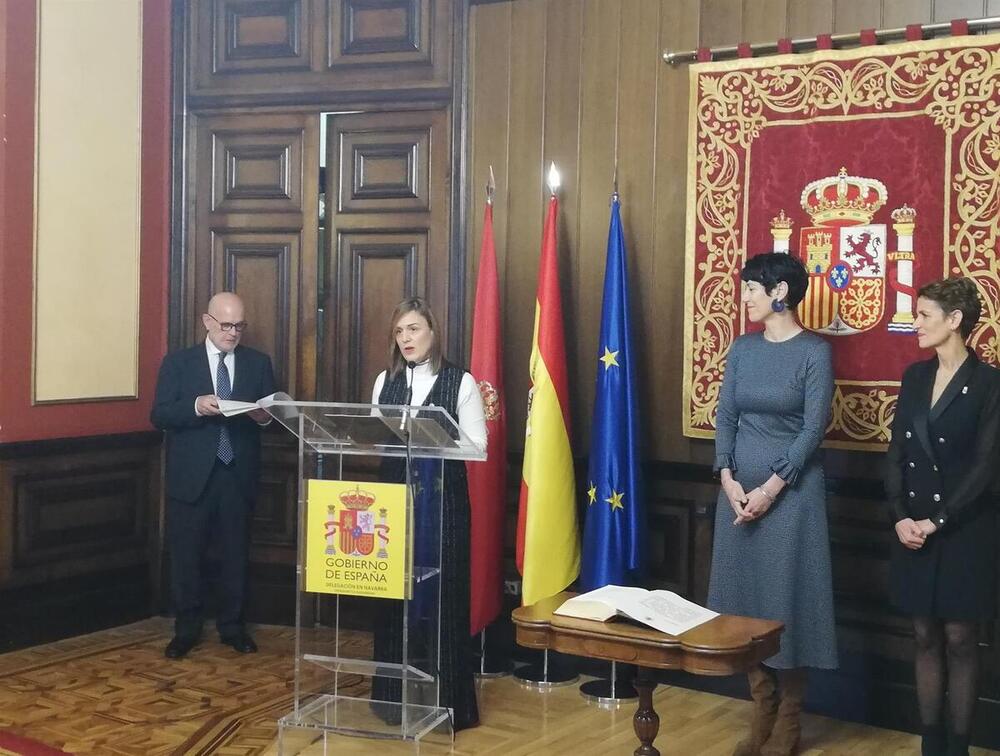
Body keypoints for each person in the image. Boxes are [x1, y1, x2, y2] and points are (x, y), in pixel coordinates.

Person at [708, 252, 837, 756]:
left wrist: (770, 489)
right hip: (737, 498)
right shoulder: (742, 349)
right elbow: (726, 417)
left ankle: (789, 716)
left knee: (788, 602)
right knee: (745, 605)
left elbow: (812, 430)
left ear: (780, 292)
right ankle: (760, 704)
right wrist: (727, 478)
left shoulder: (815, 353)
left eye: (752, 290)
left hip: (792, 500)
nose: (744, 298)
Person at [885, 277, 999, 756]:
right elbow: (895, 453)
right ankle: (931, 745)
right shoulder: (914, 377)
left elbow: (987, 465)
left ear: (955, 321)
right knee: (924, 633)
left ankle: (959, 747)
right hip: (913, 526)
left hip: (965, 526)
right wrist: (899, 516)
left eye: (925, 314)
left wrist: (939, 520)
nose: (917, 323)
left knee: (958, 636)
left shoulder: (991, 382)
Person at [370, 297, 487, 731]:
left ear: (433, 333)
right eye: (400, 332)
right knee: (392, 597)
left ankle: (451, 706)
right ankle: (390, 702)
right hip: (394, 501)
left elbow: (479, 447)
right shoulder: (386, 380)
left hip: (443, 506)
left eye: (414, 329)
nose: (406, 339)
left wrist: (433, 437)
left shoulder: (460, 381)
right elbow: (374, 431)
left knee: (443, 600)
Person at [151, 292, 276, 659]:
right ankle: (186, 629)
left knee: (236, 555)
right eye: (226, 325)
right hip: (191, 476)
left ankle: (233, 628)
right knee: (186, 555)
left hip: (236, 473)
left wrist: (264, 417)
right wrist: (195, 406)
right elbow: (159, 415)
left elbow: (273, 415)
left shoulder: (258, 363)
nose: (233, 333)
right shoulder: (179, 363)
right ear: (207, 322)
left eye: (239, 326)